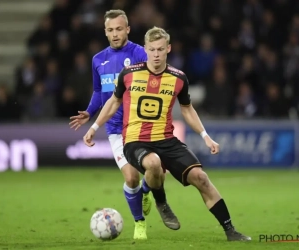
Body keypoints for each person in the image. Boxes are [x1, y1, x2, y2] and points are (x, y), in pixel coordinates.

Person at [83, 26, 252, 241]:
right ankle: (161, 202)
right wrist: (94, 128)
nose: (155, 54)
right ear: (145, 49)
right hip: (135, 140)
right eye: (152, 49)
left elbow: (187, 108)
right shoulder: (129, 74)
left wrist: (205, 136)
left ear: (168, 49)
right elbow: (113, 102)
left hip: (167, 140)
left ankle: (231, 231)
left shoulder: (178, 78)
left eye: (160, 49)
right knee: (153, 163)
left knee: (201, 178)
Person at [69, 10, 179, 240]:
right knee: (131, 179)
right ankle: (140, 223)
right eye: (110, 30)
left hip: (142, 126)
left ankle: (147, 192)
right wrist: (89, 113)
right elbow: (100, 91)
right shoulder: (98, 59)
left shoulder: (141, 53)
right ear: (105, 32)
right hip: (116, 129)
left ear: (127, 29)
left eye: (119, 29)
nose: (115, 34)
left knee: (156, 172)